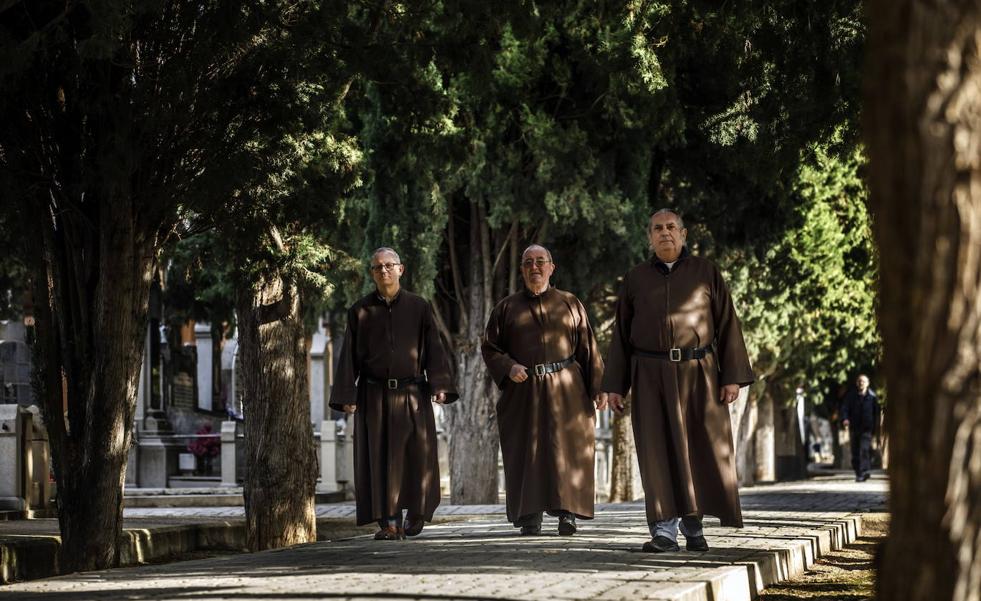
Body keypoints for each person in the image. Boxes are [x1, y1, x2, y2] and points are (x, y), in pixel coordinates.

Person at [601, 209, 755, 553]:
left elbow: (728, 324)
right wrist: (614, 385)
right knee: (657, 450)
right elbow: (621, 336)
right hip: (649, 375)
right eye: (658, 228)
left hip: (697, 373)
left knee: (698, 450)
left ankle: (694, 527)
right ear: (649, 237)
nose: (665, 233)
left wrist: (731, 377)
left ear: (683, 234)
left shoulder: (706, 272)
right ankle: (664, 532)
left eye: (671, 227)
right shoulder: (636, 278)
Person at [329, 247, 458, 540]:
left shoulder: (419, 307)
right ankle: (389, 522)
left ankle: (416, 511)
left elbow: (434, 349)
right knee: (380, 459)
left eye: (389, 265)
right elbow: (348, 356)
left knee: (417, 456)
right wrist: (347, 395)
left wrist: (440, 386)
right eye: (377, 267)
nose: (384, 271)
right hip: (374, 397)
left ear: (401, 269)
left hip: (413, 393)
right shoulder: (359, 311)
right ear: (372, 273)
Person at [481, 245, 605, 536]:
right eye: (528, 263)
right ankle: (529, 516)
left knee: (567, 451)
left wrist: (599, 387)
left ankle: (568, 514)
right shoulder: (507, 308)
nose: (534, 267)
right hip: (523, 392)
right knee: (527, 451)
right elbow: (490, 348)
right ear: (523, 270)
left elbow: (589, 348)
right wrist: (509, 367)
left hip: (568, 390)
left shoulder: (570, 303)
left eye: (540, 262)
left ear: (552, 267)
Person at [840, 374, 879, 482]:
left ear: (868, 383)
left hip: (867, 428)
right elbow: (845, 408)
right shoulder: (851, 396)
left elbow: (876, 413)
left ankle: (864, 471)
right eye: (860, 381)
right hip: (854, 427)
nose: (861, 383)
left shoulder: (872, 397)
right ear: (857, 383)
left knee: (864, 450)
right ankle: (858, 472)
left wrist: (876, 428)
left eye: (863, 381)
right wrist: (845, 419)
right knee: (855, 451)